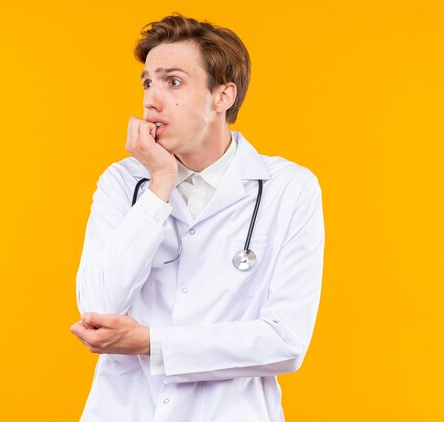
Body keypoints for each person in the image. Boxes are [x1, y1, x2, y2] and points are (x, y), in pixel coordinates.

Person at [70, 14, 325, 422]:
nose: (151, 100)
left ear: (223, 96)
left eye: (173, 82)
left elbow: (285, 341)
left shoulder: (289, 189)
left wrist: (149, 342)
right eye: (148, 82)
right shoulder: (123, 182)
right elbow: (98, 308)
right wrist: (160, 183)